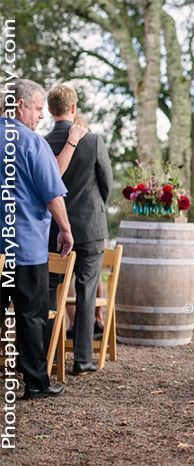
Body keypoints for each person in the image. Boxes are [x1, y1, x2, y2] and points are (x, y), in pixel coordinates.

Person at [0, 79, 74, 399]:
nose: (41, 115)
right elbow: (52, 192)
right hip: (26, 246)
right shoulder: (32, 143)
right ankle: (35, 383)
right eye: (38, 108)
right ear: (20, 106)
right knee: (31, 316)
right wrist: (66, 229)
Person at [44, 84, 113, 375]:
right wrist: (96, 208)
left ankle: (48, 356)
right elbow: (106, 183)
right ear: (74, 108)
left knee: (49, 290)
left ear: (49, 110)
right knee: (86, 291)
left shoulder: (42, 142)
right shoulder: (93, 140)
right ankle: (83, 360)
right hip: (90, 227)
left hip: (53, 228)